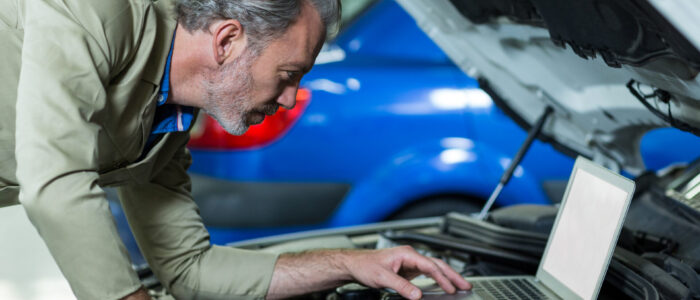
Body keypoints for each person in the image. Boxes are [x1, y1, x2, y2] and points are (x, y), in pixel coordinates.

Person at [0, 0, 472, 299]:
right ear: (227, 40)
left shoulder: (168, 121)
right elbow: (55, 187)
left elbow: (189, 268)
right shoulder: (98, 9)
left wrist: (347, 264)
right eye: (288, 74)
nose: (288, 98)